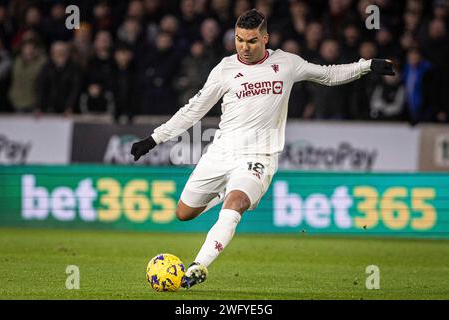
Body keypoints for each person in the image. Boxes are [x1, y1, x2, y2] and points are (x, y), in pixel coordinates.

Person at [130, 9, 394, 289]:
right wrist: (154, 139)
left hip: (259, 157)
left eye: (252, 41)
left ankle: (199, 265)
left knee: (236, 204)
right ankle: (224, 192)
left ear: (265, 38)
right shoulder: (225, 69)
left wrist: (367, 66)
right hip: (221, 153)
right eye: (239, 40)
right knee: (183, 213)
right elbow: (194, 109)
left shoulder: (287, 63)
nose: (244, 47)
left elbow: (328, 75)